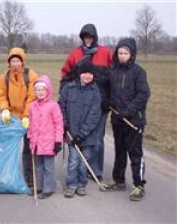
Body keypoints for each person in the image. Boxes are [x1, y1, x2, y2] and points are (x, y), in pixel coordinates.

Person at [60, 23, 112, 181]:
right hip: (78, 103)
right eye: (85, 37)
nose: (87, 40)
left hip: (100, 103)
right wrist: (63, 95)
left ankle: (95, 170)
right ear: (82, 38)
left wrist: (109, 99)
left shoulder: (105, 53)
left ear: (95, 37)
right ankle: (80, 169)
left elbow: (113, 78)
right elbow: (66, 74)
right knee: (79, 135)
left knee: (97, 138)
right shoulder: (75, 53)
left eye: (90, 37)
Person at [105, 38, 150, 201]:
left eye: (126, 53)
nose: (122, 56)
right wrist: (107, 103)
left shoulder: (138, 72)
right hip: (117, 120)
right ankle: (118, 180)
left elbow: (143, 94)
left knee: (135, 153)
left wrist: (128, 111)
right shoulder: (112, 71)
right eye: (120, 53)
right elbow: (108, 91)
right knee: (119, 152)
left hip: (134, 121)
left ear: (132, 54)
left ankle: (139, 185)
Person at [0, 47, 39, 188]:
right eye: (12, 61)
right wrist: (4, 110)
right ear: (9, 62)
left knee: (28, 148)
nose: (15, 64)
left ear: (22, 62)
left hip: (28, 117)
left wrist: (26, 116)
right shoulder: (4, 77)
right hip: (12, 118)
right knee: (8, 147)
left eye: (17, 61)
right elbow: (1, 95)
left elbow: (32, 97)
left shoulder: (31, 75)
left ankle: (30, 177)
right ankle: (6, 174)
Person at [58, 62, 101, 198]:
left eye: (90, 73)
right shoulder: (68, 88)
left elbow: (94, 116)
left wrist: (82, 135)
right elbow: (61, 106)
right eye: (84, 73)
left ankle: (82, 184)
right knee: (74, 161)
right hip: (72, 133)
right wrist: (64, 123)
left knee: (84, 162)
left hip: (87, 136)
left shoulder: (95, 92)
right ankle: (71, 184)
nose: (87, 76)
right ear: (79, 74)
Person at [27, 75, 63, 199]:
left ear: (48, 90)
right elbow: (31, 123)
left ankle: (49, 188)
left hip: (49, 142)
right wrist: (29, 137)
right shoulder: (32, 106)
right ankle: (39, 186)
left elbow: (59, 124)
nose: (40, 92)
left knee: (48, 167)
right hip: (36, 142)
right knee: (38, 166)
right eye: (37, 90)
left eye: (42, 90)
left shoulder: (53, 106)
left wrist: (58, 141)